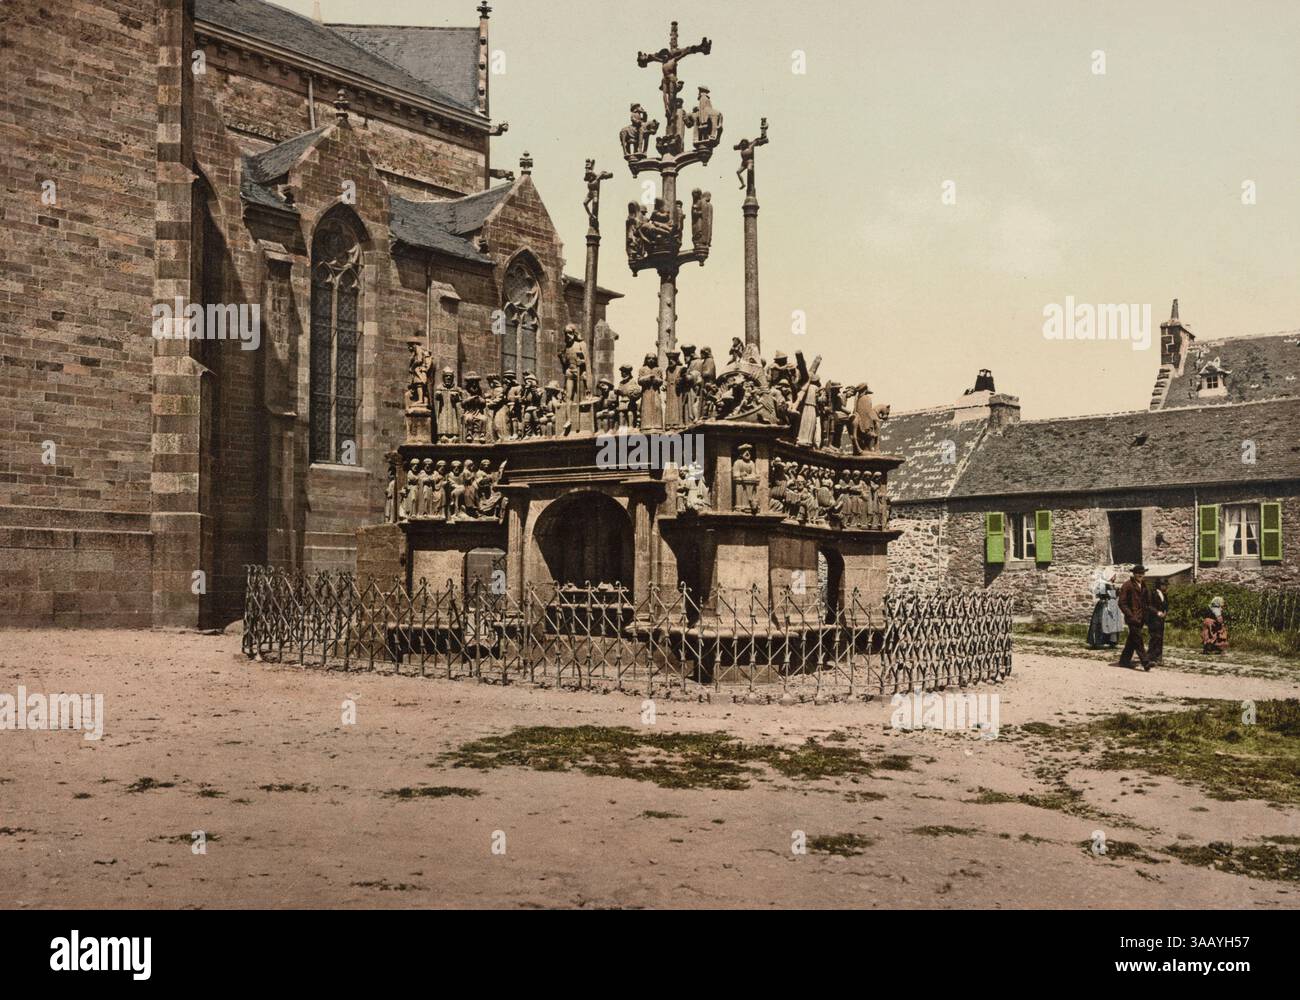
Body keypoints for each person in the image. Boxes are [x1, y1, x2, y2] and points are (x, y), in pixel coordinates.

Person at [1117, 564, 1152, 670]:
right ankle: (1145, 661)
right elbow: (1122, 603)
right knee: (1138, 639)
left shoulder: (1144, 585)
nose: (1141, 575)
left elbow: (1146, 601)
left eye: (1142, 573)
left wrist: (1147, 613)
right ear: (1134, 574)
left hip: (1141, 617)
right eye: (1138, 573)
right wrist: (1130, 615)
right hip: (1132, 618)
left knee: (1132, 639)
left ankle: (1124, 660)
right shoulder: (1127, 585)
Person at [1086, 569, 1121, 649]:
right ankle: (1097, 642)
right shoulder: (1103, 584)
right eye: (1113, 576)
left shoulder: (1110, 584)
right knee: (1100, 623)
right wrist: (1113, 593)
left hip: (1110, 605)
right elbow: (1102, 594)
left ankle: (1112, 642)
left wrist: (1116, 592)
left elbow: (1113, 596)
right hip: (1104, 606)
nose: (1115, 577)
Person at [1147, 578, 1169, 666]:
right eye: (1165, 585)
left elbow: (1166, 605)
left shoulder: (1164, 594)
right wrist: (1157, 612)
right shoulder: (1152, 593)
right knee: (1154, 638)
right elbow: (1149, 606)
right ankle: (1150, 657)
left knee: (1160, 638)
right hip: (1153, 619)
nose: (1166, 587)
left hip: (1161, 619)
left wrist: (1165, 612)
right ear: (1160, 585)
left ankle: (1158, 657)